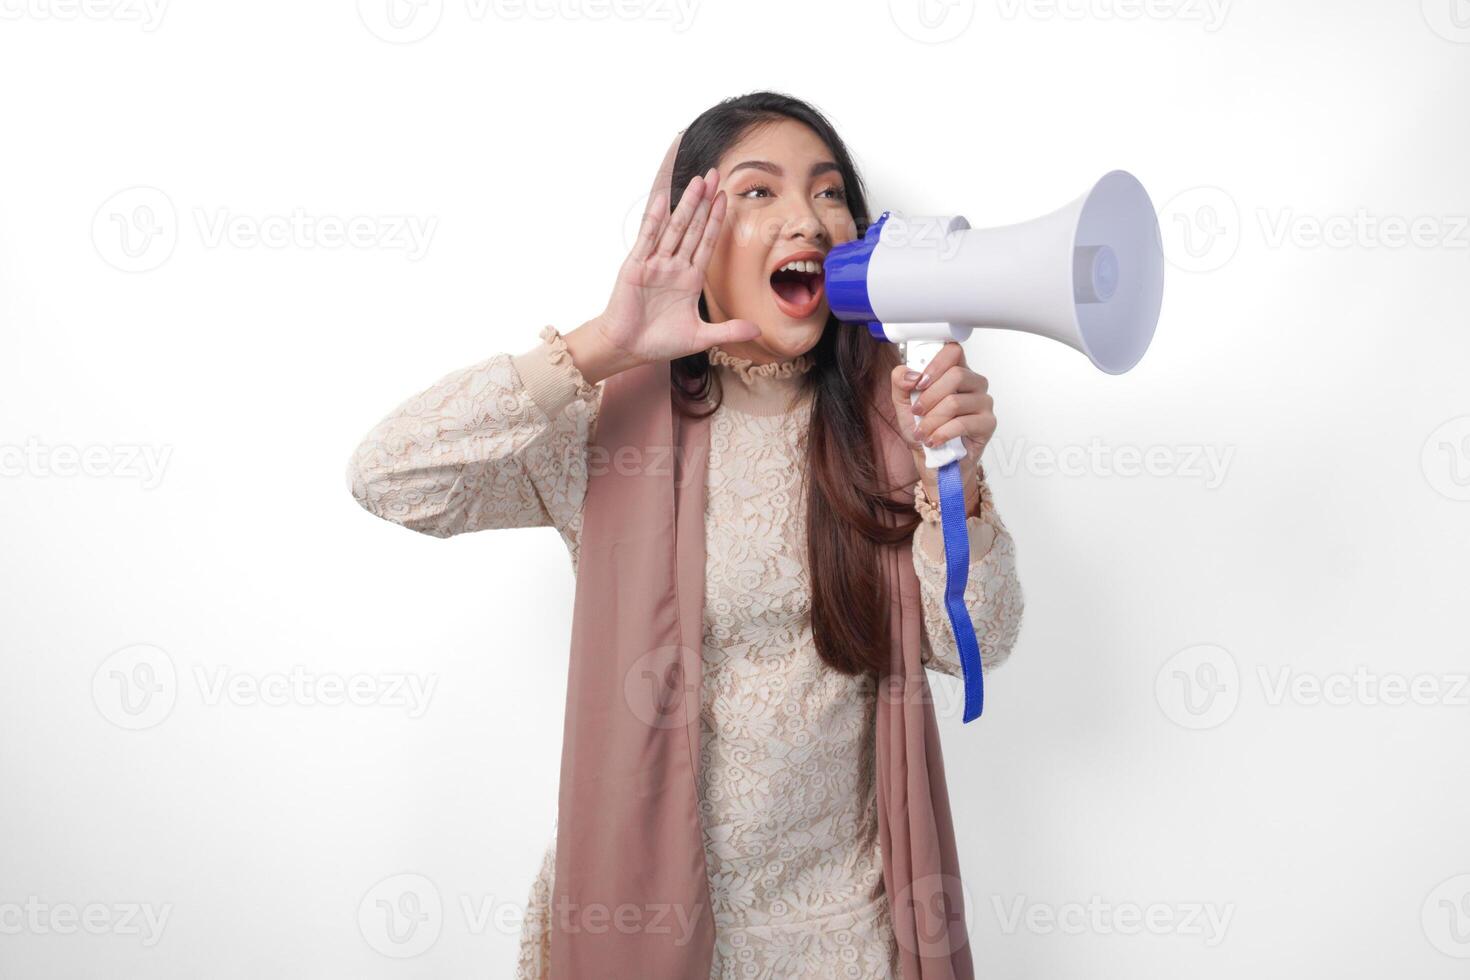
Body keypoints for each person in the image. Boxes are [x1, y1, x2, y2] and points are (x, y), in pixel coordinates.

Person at [347, 91, 1024, 979]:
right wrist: (602, 345)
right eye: (758, 193)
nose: (807, 221)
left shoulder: (894, 415)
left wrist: (957, 473)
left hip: (846, 935)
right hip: (641, 919)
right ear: (690, 238)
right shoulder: (606, 427)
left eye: (828, 194)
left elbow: (977, 639)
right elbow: (391, 476)